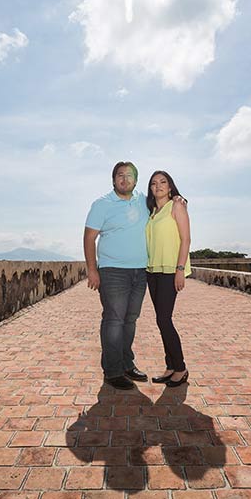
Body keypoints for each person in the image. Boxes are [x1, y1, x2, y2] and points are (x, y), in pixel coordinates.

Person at [84, 161, 150, 390]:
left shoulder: (143, 201)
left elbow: (165, 201)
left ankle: (126, 364)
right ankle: (112, 371)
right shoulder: (101, 204)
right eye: (120, 175)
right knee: (114, 320)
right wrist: (92, 270)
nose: (124, 179)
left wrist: (179, 199)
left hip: (140, 271)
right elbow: (89, 238)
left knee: (130, 319)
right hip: (112, 271)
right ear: (113, 180)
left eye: (129, 175)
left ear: (136, 180)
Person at [145, 170, 191, 387]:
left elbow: (186, 239)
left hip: (170, 270)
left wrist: (180, 269)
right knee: (160, 319)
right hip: (152, 270)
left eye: (163, 182)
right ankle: (170, 366)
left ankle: (180, 368)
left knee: (164, 319)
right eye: (154, 183)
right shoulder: (152, 212)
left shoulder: (177, 205)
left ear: (170, 186)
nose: (158, 186)